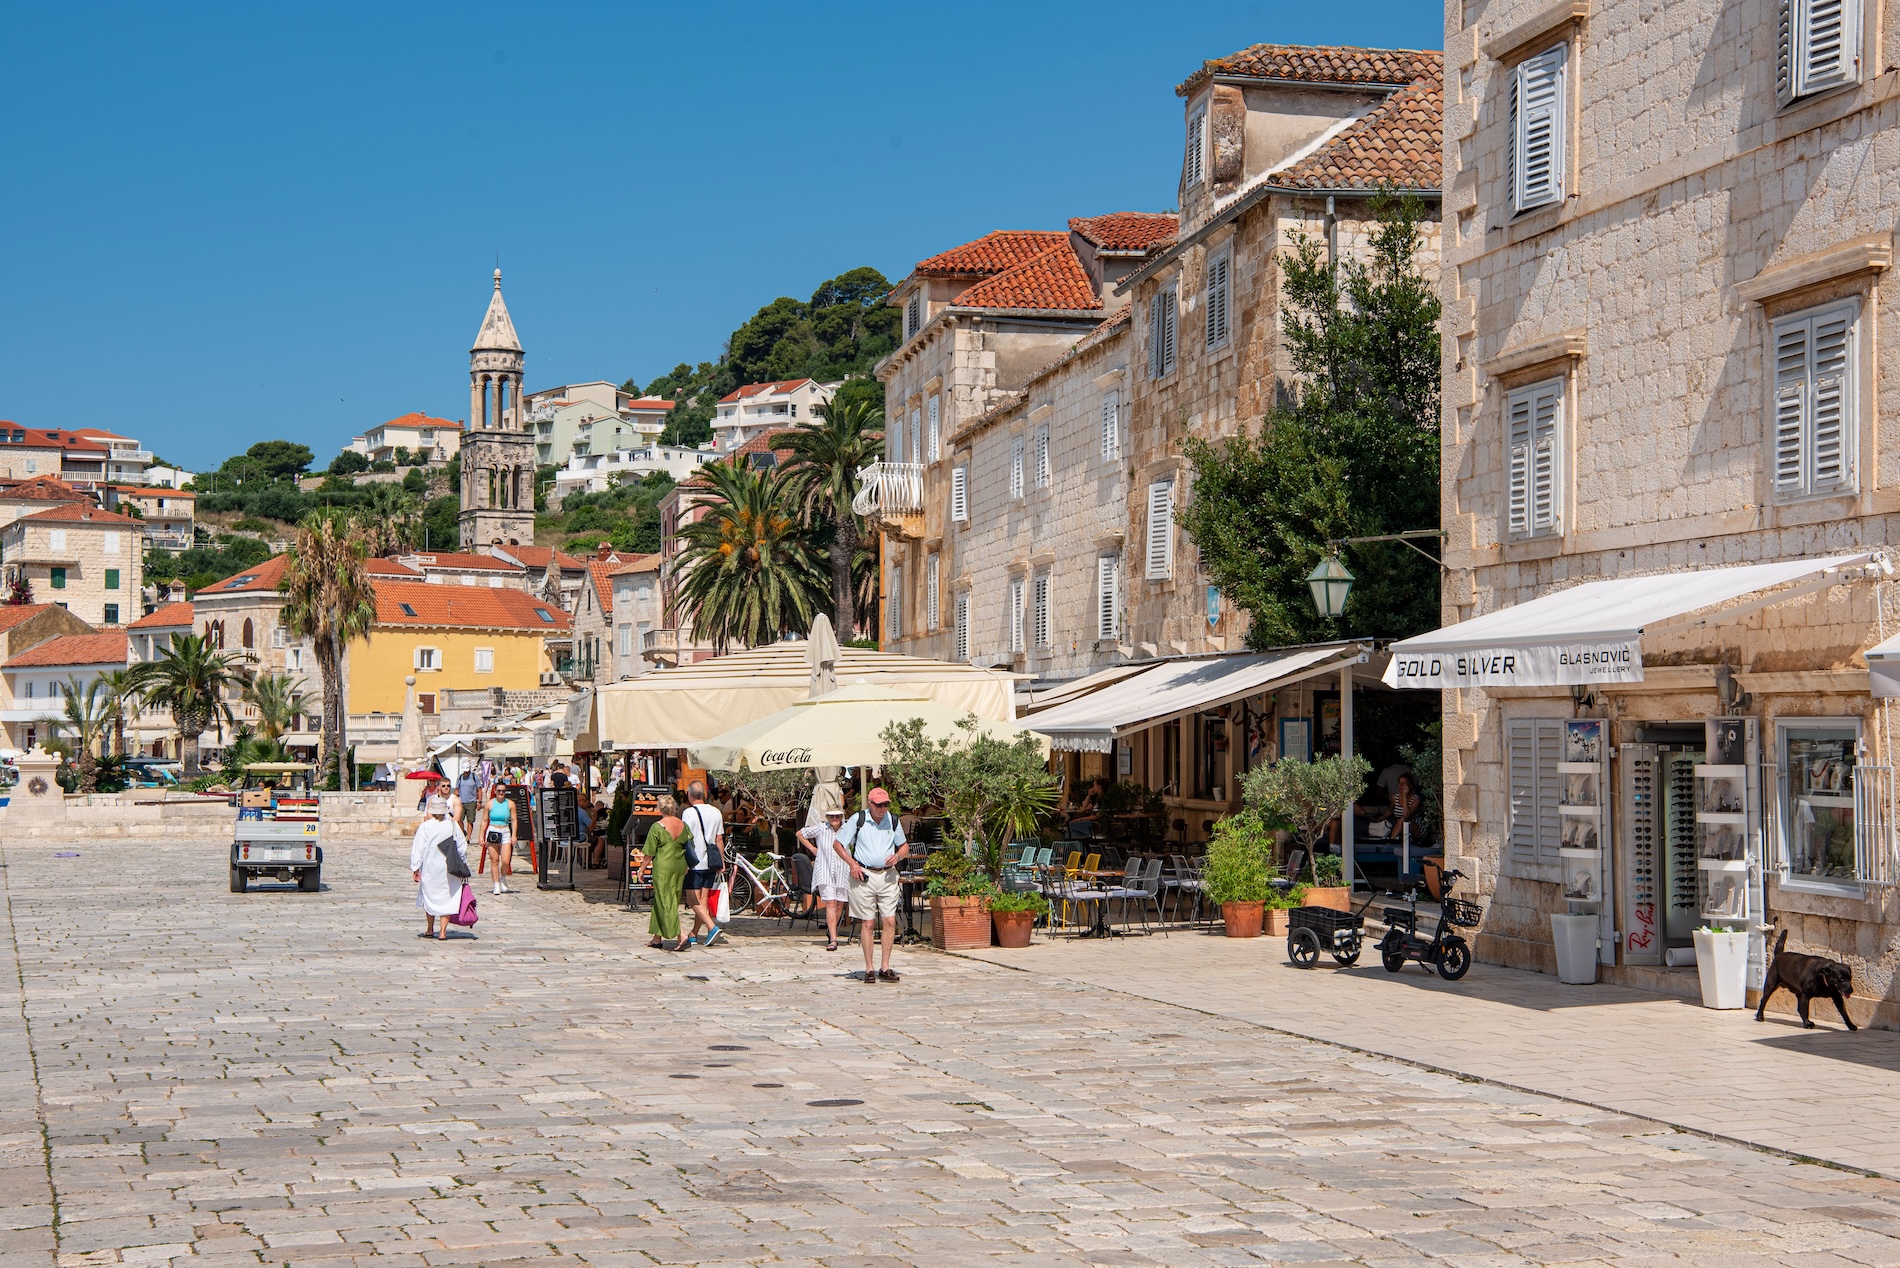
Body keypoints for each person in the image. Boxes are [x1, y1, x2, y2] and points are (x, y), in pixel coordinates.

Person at [838, 787, 908, 983]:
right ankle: (869, 968)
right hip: (864, 875)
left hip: (887, 876)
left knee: (889, 921)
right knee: (868, 922)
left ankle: (885, 966)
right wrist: (852, 864)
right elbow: (838, 844)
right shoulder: (858, 820)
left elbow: (904, 845)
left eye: (885, 804)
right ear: (870, 804)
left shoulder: (892, 820)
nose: (882, 808)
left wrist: (898, 856)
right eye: (878, 805)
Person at [411, 794, 471, 941]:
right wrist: (462, 862)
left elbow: (419, 848)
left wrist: (415, 867)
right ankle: (443, 931)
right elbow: (462, 848)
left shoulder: (425, 827)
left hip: (430, 867)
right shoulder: (452, 825)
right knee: (447, 897)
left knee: (429, 896)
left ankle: (430, 928)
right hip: (449, 868)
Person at [797, 806, 852, 952]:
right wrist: (813, 849)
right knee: (831, 902)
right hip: (825, 869)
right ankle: (833, 938)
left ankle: (831, 928)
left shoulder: (848, 829)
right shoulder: (821, 828)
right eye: (832, 816)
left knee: (840, 903)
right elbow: (800, 833)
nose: (835, 819)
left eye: (838, 816)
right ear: (827, 817)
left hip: (842, 870)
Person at [680, 779, 725, 947]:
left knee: (692, 900)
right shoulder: (716, 811)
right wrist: (721, 860)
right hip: (711, 861)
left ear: (689, 795)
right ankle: (694, 933)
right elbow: (719, 838)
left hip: (695, 861)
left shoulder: (689, 813)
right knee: (703, 899)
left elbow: (685, 838)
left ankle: (712, 927)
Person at [644, 795, 691, 951]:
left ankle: (681, 934)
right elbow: (689, 843)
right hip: (679, 865)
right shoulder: (683, 825)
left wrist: (641, 868)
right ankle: (657, 938)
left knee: (665, 900)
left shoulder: (657, 826)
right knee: (668, 898)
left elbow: (650, 852)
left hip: (664, 865)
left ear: (660, 808)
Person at [478, 783, 517, 895]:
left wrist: (514, 835)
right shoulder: (490, 804)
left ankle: (503, 876)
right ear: (495, 791)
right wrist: (481, 835)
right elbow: (484, 820)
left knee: (505, 860)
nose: (501, 793)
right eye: (499, 790)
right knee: (494, 860)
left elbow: (514, 820)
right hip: (493, 830)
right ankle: (496, 884)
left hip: (504, 830)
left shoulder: (510, 804)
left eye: (503, 791)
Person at [454, 766, 481, 836]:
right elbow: (457, 789)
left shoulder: (474, 777)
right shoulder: (460, 778)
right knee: (459, 819)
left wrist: (479, 801)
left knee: (470, 821)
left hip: (471, 802)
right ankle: (463, 832)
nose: (465, 772)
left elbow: (479, 789)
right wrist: (454, 799)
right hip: (461, 802)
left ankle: (468, 837)